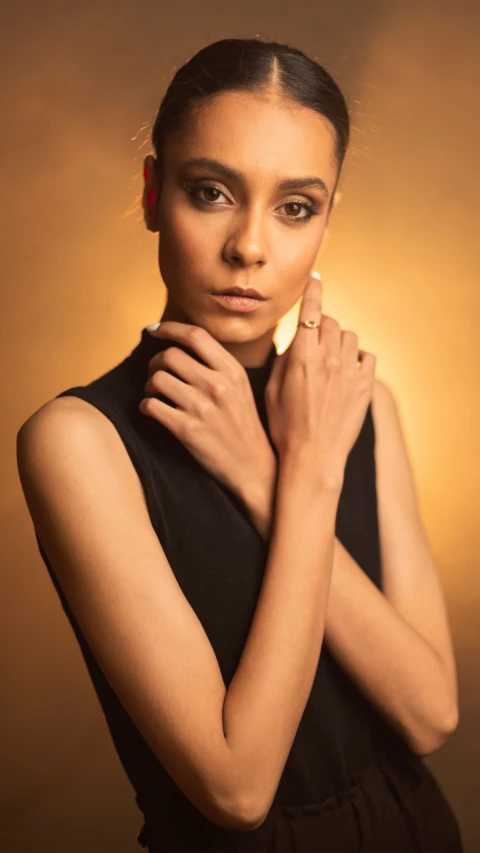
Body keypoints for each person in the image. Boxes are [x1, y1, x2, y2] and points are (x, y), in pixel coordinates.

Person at [16, 37, 463, 853]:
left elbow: (430, 712)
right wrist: (302, 482)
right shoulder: (78, 443)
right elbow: (238, 787)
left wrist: (270, 474)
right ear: (153, 192)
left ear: (327, 223)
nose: (250, 248)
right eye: (212, 191)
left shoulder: (362, 405)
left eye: (296, 206)